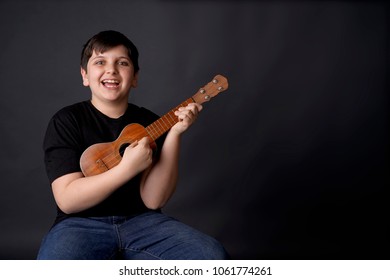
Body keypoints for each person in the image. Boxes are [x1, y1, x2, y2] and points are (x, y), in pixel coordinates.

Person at [37, 30, 228, 260]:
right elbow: (68, 200)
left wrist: (174, 133)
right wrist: (127, 169)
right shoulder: (67, 121)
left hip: (143, 222)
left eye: (122, 63)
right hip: (80, 225)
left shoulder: (152, 122)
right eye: (100, 62)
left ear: (135, 77)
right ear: (85, 75)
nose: (111, 70)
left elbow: (153, 199)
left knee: (211, 256)